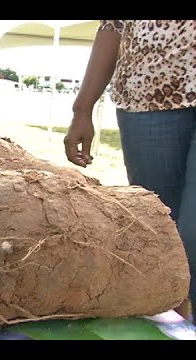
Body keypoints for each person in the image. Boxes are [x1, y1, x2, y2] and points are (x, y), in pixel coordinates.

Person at [63, 20, 196, 322]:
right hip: (147, 95)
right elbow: (113, 25)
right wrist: (82, 110)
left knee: (193, 233)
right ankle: (176, 326)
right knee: (161, 235)